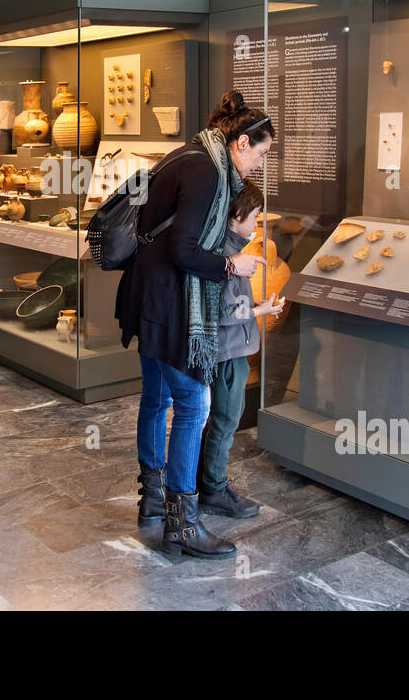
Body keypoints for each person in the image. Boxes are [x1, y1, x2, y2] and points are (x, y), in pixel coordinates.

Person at [116, 90, 275, 559]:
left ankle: (152, 501)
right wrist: (232, 267)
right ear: (242, 142)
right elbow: (186, 251)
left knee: (156, 396)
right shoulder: (209, 173)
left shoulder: (188, 154)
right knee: (193, 403)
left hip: (146, 294)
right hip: (169, 303)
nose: (260, 165)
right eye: (262, 152)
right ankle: (183, 523)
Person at [198, 179, 286, 519]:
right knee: (225, 420)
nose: (256, 225)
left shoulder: (220, 248)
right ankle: (215, 489)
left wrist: (256, 305)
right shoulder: (229, 256)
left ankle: (205, 481)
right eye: (255, 217)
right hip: (229, 352)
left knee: (217, 420)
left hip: (226, 348)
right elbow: (222, 311)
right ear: (237, 214)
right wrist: (259, 311)